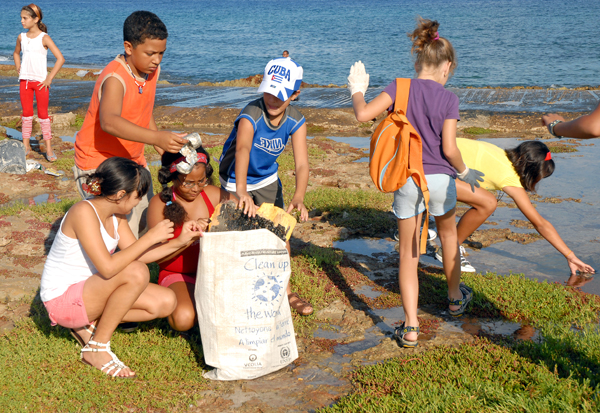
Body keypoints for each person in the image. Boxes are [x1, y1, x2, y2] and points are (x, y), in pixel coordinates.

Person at [348, 18, 484, 347]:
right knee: (449, 238)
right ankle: (454, 299)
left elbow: (363, 115)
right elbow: (450, 149)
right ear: (447, 67)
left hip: (407, 179)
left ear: (417, 61)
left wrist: (356, 90)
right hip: (441, 181)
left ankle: (410, 327)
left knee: (408, 254)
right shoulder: (449, 99)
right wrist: (465, 173)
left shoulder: (399, 87)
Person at [40, 157, 203, 378]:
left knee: (166, 302)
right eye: (138, 195)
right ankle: (97, 347)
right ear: (120, 195)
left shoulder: (117, 215)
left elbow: (141, 254)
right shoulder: (83, 212)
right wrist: (150, 237)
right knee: (136, 272)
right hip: (62, 300)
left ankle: (89, 323)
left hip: (89, 292)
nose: (139, 201)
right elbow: (108, 269)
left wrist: (181, 240)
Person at [73, 11, 189, 238]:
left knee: (147, 218)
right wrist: (156, 138)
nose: (157, 60)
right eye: (150, 53)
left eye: (162, 53)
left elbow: (143, 112)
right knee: (113, 232)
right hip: (99, 163)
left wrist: (162, 147)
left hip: (132, 160)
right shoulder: (115, 78)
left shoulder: (150, 70)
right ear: (128, 47)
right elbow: (109, 122)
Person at [219, 57, 313, 316]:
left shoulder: (296, 121)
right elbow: (243, 149)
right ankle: (237, 288)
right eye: (269, 91)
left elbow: (302, 164)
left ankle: (286, 290)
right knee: (234, 234)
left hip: (267, 180)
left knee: (279, 234)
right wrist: (240, 190)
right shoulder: (251, 114)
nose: (272, 99)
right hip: (234, 178)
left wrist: (299, 196)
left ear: (295, 94)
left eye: (280, 95)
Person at [439, 138, 595, 276]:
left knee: (481, 197)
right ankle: (450, 249)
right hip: (430, 171)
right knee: (488, 203)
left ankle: (440, 233)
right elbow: (540, 223)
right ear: (531, 172)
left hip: (426, 156)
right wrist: (570, 255)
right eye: (539, 177)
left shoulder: (500, 153)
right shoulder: (509, 177)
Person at [147, 147, 235, 331]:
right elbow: (158, 257)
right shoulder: (160, 203)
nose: (196, 188)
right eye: (188, 183)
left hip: (215, 271)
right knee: (184, 319)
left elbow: (243, 216)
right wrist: (187, 239)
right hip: (178, 274)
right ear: (172, 178)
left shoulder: (212, 194)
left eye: (201, 180)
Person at [12, 3, 65, 162]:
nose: (22, 21)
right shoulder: (22, 37)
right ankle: (26, 146)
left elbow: (60, 59)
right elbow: (15, 53)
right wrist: (19, 68)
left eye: (25, 18)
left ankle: (48, 149)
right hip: (25, 83)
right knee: (26, 115)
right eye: (21, 18)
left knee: (43, 116)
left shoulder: (45, 38)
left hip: (41, 83)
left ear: (36, 19)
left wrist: (49, 78)